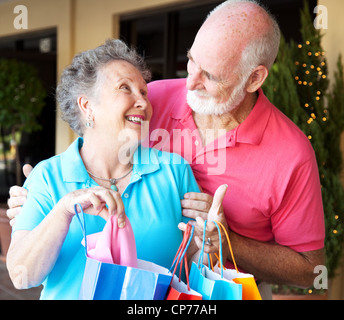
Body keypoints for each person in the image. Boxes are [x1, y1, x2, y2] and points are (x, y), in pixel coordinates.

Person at [8, 0, 325, 299]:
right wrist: (42, 193)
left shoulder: (290, 153)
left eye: (209, 75)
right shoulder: (155, 99)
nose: (189, 83)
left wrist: (227, 244)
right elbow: (96, 135)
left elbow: (312, 271)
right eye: (190, 61)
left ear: (254, 78)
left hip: (227, 287)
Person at [6, 39, 214, 300]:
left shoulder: (174, 172)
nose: (143, 102)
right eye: (124, 88)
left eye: (144, 92)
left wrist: (208, 243)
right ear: (86, 106)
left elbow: (194, 262)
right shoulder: (47, 177)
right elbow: (21, 276)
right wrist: (63, 210)